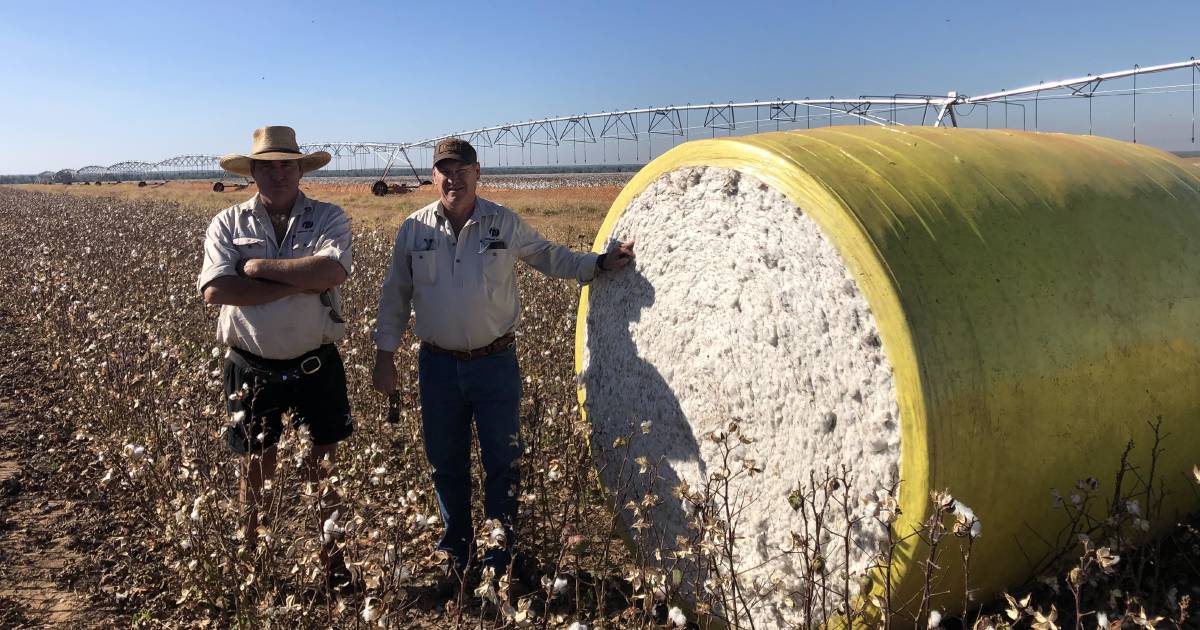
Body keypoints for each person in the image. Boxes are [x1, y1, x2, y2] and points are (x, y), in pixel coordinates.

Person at [372, 138, 634, 577]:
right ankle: (456, 554)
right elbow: (394, 296)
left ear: (478, 173)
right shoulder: (414, 230)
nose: (453, 178)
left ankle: (500, 556)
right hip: (436, 366)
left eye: (462, 169)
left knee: (503, 463)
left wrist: (599, 264)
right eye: (444, 170)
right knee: (444, 463)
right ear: (433, 176)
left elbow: (551, 257)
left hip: (495, 364)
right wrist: (385, 354)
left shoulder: (503, 223)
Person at [196, 125, 356, 592]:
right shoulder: (228, 222)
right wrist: (302, 282)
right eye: (268, 165)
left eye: (288, 164)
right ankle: (253, 568)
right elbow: (216, 290)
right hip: (251, 365)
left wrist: (259, 270)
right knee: (253, 470)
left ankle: (334, 566)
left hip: (316, 363)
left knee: (323, 471)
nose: (279, 172)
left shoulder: (330, 216)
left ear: (301, 169)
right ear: (254, 172)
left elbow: (333, 271)